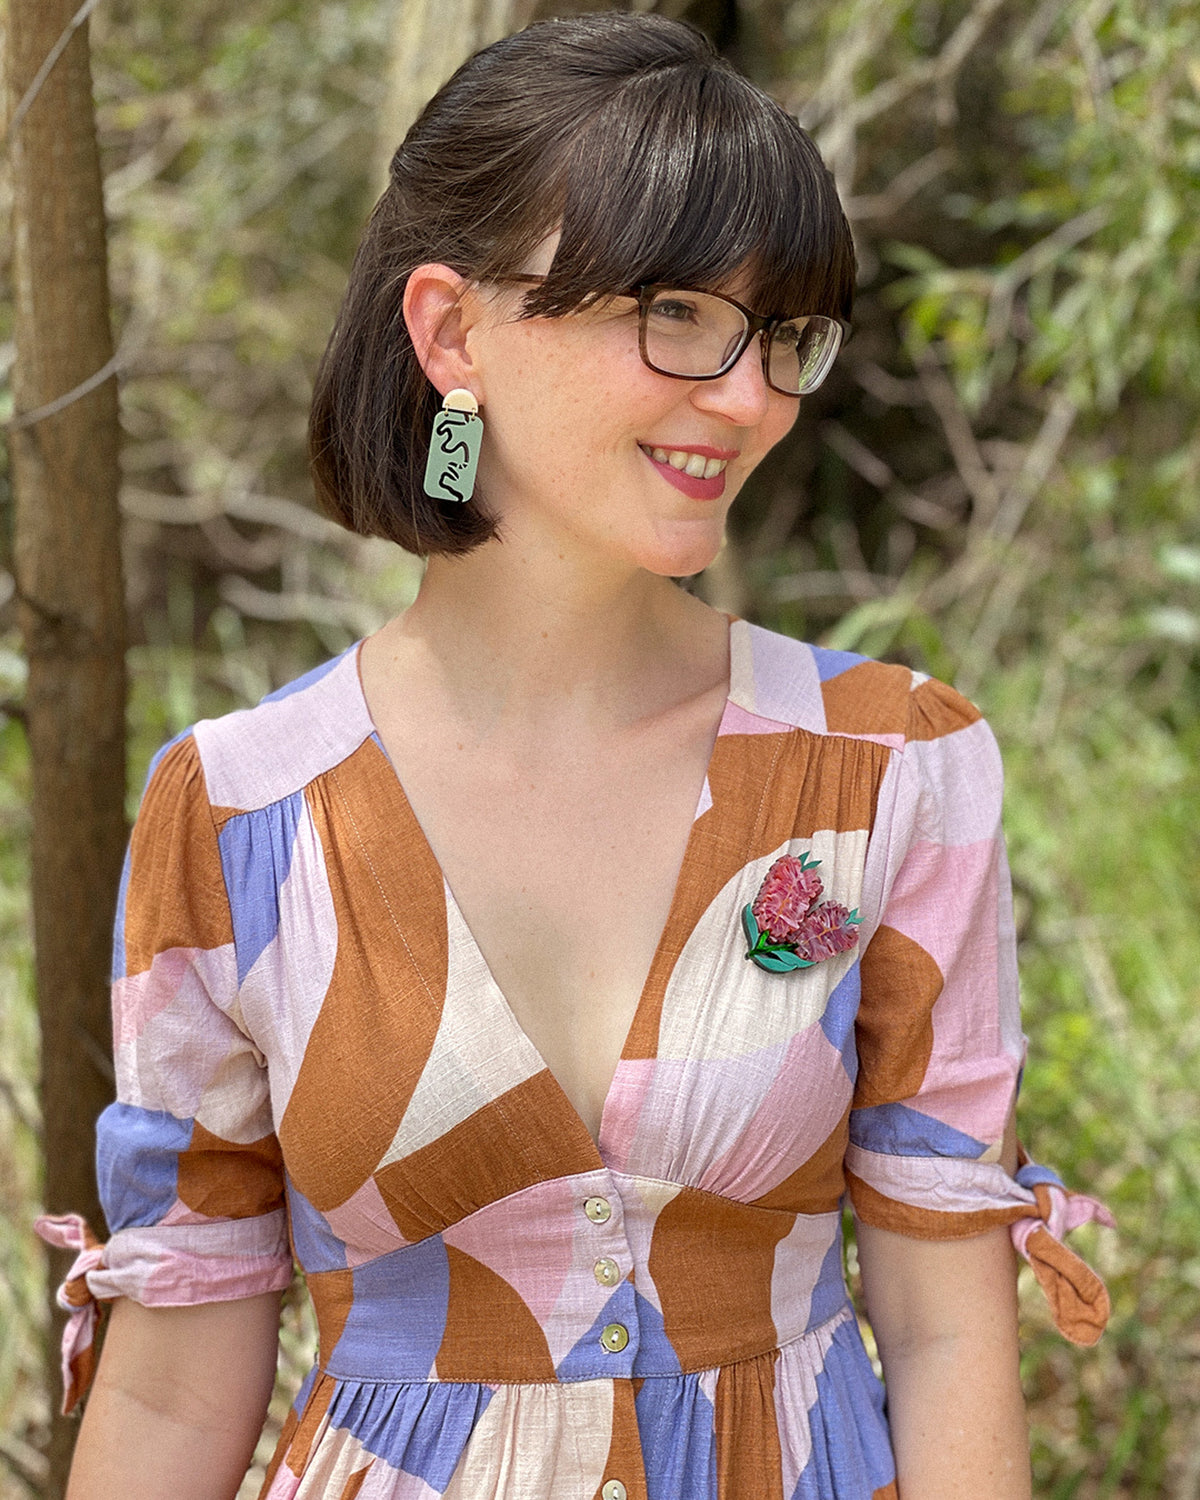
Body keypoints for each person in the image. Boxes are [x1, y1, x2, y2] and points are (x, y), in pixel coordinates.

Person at [36, 13, 1114, 1499]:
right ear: (451, 331)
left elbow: (943, 1336)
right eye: (676, 312)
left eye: (780, 334)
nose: (746, 397)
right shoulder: (238, 812)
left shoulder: (886, 769)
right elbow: (168, 1404)